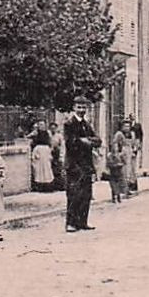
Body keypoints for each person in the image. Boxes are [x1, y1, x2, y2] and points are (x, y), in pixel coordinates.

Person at [63, 99, 101, 233]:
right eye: (79, 107)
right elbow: (71, 143)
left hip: (86, 165)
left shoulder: (86, 124)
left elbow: (98, 140)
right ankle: (71, 223)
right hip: (74, 165)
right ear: (74, 108)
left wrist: (87, 141)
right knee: (74, 194)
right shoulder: (69, 124)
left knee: (86, 195)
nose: (81, 110)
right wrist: (83, 141)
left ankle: (82, 222)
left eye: (84, 107)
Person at [108, 119, 132, 203]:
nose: (127, 128)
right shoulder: (119, 134)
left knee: (123, 176)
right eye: (125, 126)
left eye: (128, 126)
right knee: (118, 177)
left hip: (124, 157)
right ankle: (116, 194)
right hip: (119, 159)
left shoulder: (127, 135)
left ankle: (120, 193)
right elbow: (115, 146)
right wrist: (118, 156)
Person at [29, 118, 56, 191]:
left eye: (43, 124)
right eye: (40, 124)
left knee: (47, 169)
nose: (42, 126)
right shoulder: (35, 132)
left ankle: (48, 186)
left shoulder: (48, 133)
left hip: (46, 150)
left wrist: (51, 150)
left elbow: (51, 142)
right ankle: (39, 186)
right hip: (38, 150)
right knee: (38, 169)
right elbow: (28, 138)